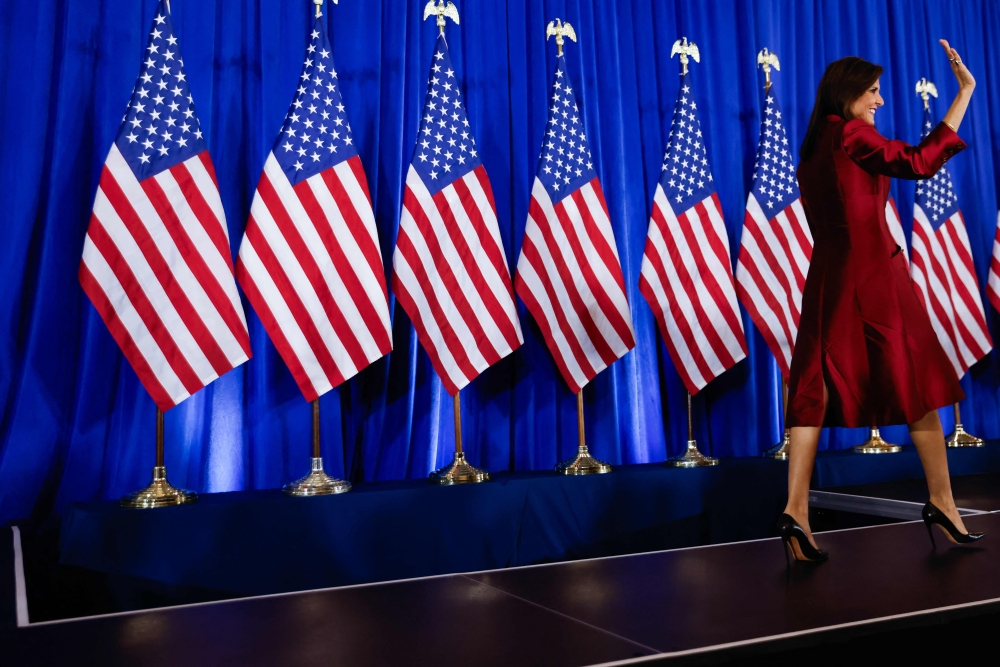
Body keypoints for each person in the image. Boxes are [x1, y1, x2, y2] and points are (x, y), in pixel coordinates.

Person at [778, 39, 985, 563]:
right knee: (916, 381)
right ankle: (942, 503)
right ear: (848, 93)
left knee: (812, 386)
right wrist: (964, 94)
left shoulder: (812, 146)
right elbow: (917, 163)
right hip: (874, 276)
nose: (879, 101)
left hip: (825, 276)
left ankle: (796, 513)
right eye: (872, 91)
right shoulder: (852, 133)